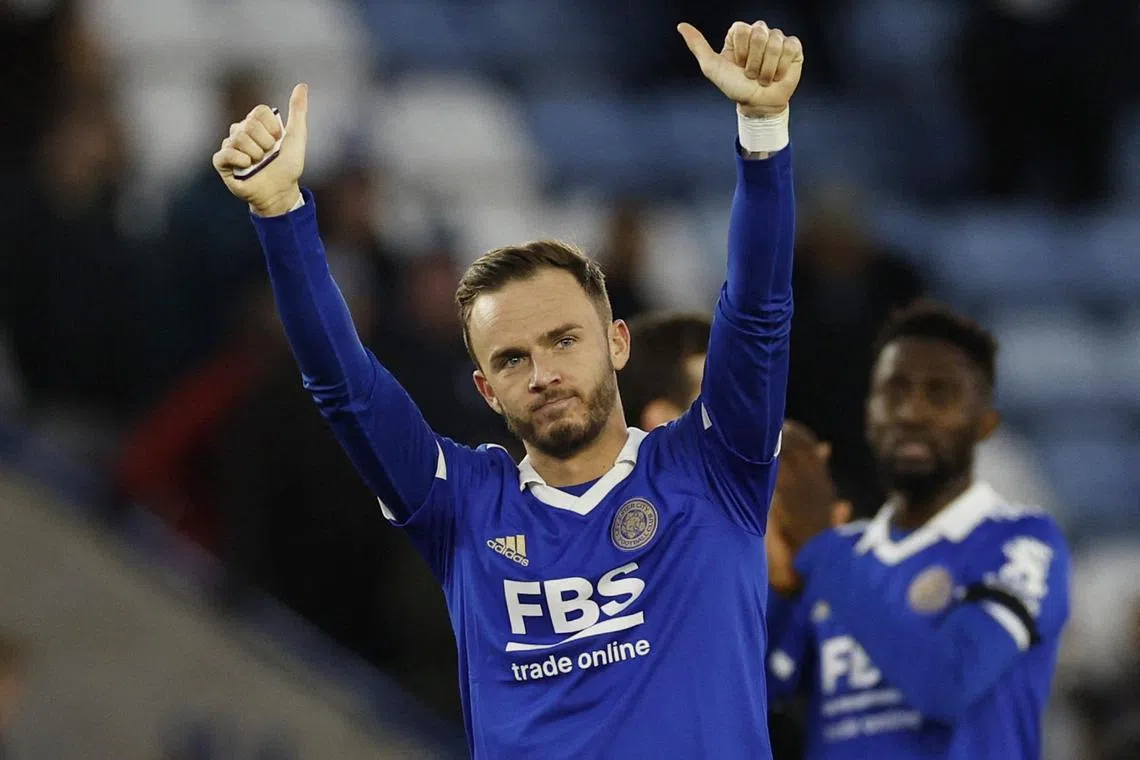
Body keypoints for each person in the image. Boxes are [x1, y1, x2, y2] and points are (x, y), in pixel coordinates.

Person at [211, 18, 802, 760]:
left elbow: (758, 311)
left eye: (564, 340)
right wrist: (281, 213)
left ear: (618, 343)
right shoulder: (461, 506)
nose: (543, 373)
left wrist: (763, 129)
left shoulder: (716, 468)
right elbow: (344, 387)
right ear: (487, 391)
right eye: (513, 359)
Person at [765, 301, 1071, 759]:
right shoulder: (841, 555)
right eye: (895, 391)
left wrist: (819, 547)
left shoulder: (1019, 541)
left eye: (940, 395)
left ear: (985, 423)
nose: (911, 412)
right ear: (869, 413)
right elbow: (754, 700)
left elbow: (949, 684)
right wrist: (783, 594)